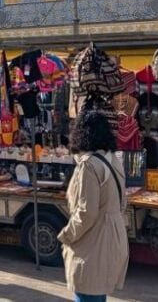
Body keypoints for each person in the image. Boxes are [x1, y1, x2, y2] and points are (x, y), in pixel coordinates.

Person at [57, 111, 129, 302]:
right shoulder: (113, 160)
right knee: (97, 294)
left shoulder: (88, 165)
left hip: (93, 242)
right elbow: (123, 202)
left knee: (87, 294)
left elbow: (86, 213)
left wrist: (67, 235)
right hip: (113, 236)